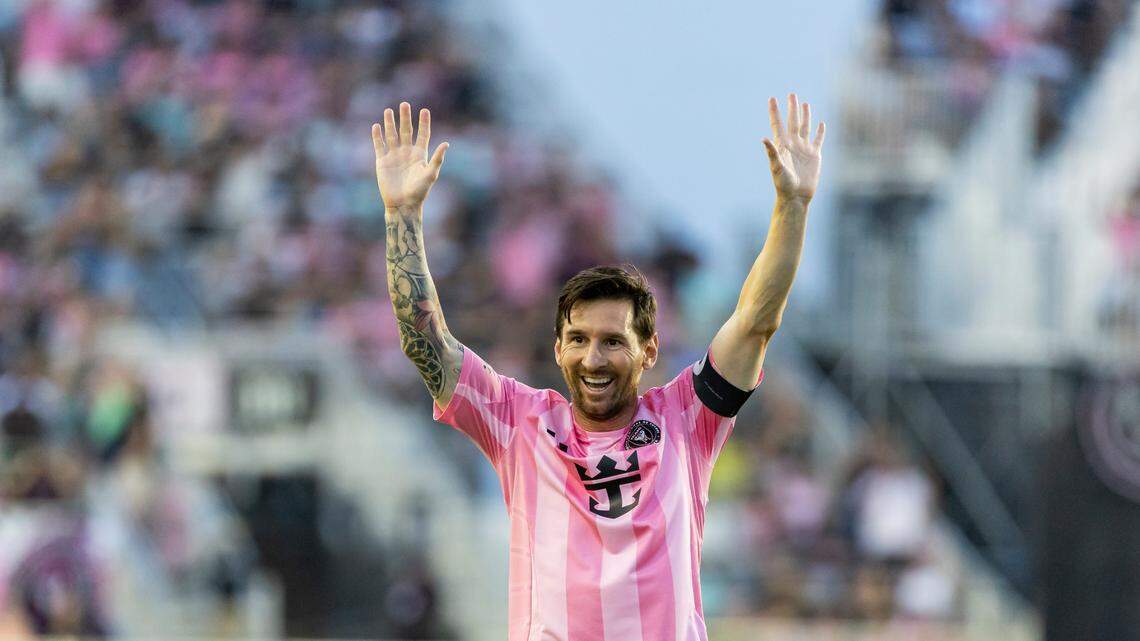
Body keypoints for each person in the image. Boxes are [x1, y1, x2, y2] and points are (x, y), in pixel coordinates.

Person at [371, 96, 824, 641]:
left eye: (613, 341)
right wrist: (401, 216)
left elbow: (755, 321)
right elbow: (424, 339)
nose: (593, 358)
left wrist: (792, 205)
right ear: (558, 348)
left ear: (649, 350)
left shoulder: (686, 417)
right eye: (579, 340)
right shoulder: (519, 423)